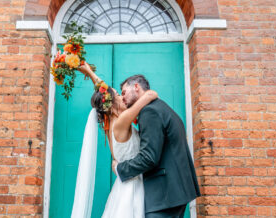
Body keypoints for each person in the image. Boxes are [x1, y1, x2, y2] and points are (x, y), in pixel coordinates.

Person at [112, 74, 201, 218]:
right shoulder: (161, 107)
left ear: (136, 87)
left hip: (164, 195)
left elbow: (149, 157)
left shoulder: (149, 112)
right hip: (174, 192)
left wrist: (119, 168)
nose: (122, 98)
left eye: (123, 92)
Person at [78, 62, 158, 218]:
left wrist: (89, 72)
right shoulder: (121, 122)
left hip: (124, 184)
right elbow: (149, 96)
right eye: (119, 96)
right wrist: (148, 95)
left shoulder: (111, 123)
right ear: (112, 105)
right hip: (133, 187)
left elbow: (106, 93)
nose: (123, 98)